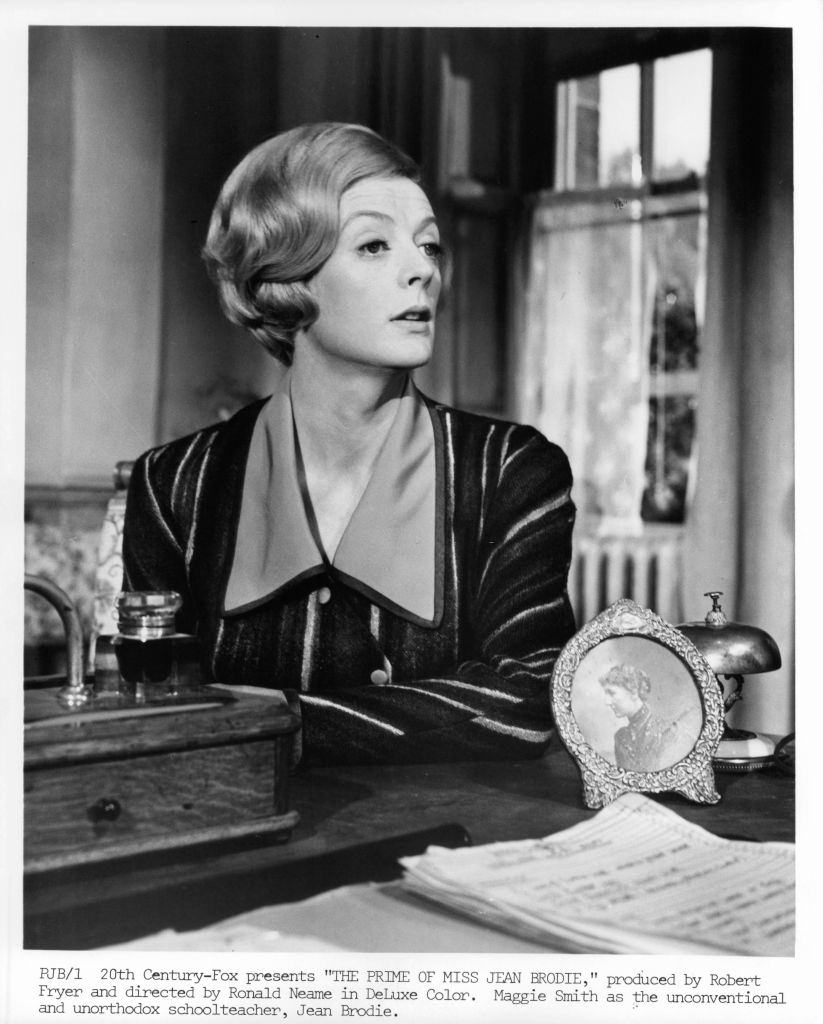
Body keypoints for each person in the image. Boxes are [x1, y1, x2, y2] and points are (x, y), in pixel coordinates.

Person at [122, 122, 576, 765]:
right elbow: (155, 710)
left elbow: (528, 704)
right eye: (373, 246)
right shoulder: (175, 484)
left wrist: (262, 717)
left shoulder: (509, 469)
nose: (421, 270)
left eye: (430, 247)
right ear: (283, 280)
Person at [599, 664, 679, 772]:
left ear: (634, 692)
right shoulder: (620, 737)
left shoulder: (667, 729)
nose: (607, 702)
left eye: (612, 693)